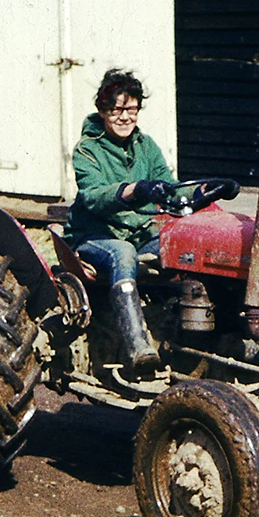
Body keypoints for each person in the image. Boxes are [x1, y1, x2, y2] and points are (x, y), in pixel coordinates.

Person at [63, 68, 176, 377]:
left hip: (138, 234)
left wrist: (201, 192)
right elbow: (94, 196)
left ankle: (179, 337)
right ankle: (137, 346)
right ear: (103, 111)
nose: (125, 117)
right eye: (117, 110)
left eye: (132, 109)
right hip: (95, 236)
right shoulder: (88, 149)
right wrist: (134, 190)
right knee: (123, 253)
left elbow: (169, 185)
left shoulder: (146, 146)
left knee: (181, 248)